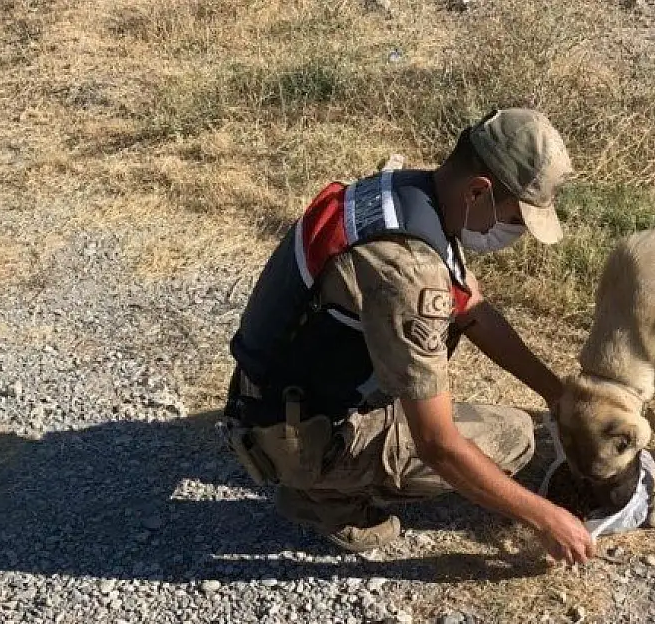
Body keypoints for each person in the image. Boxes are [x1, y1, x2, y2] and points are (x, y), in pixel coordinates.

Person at [220, 108, 595, 565]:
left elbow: (472, 309)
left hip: (272, 396)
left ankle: (318, 468)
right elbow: (439, 447)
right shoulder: (409, 272)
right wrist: (545, 519)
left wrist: (556, 394)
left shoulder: (405, 194)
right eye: (516, 217)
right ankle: (323, 498)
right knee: (514, 435)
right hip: (302, 433)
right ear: (480, 191)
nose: (515, 233)